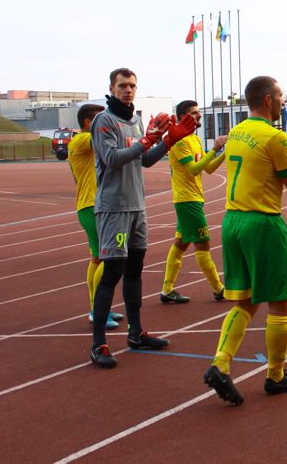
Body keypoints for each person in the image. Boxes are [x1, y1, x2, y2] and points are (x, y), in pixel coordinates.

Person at [203, 76, 287, 405]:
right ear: (268, 101)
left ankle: (220, 364)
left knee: (245, 302)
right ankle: (275, 375)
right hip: (262, 224)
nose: (284, 102)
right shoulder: (274, 137)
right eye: (280, 97)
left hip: (232, 221)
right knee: (280, 302)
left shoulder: (236, 133)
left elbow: (268, 168)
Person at [88, 68, 197, 368]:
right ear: (112, 88)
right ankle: (98, 344)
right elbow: (111, 159)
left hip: (137, 207)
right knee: (112, 273)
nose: (129, 90)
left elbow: (144, 159)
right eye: (123, 85)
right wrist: (147, 140)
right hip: (113, 208)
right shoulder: (103, 121)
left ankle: (135, 333)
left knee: (135, 270)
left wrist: (168, 141)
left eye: (132, 86)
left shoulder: (135, 121)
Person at [159, 100, 228, 305]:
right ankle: (218, 289)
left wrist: (225, 152)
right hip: (187, 200)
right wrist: (215, 149)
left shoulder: (195, 139)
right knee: (203, 244)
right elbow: (194, 169)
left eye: (198, 112)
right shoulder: (179, 142)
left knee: (180, 245)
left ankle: (167, 290)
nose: (199, 116)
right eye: (194, 113)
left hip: (193, 199)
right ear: (183, 118)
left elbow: (208, 169)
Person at [68, 103, 122, 330]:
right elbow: (108, 139)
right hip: (93, 205)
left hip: (91, 204)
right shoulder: (82, 139)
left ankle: (98, 307)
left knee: (98, 258)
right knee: (109, 258)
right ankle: (97, 309)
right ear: (88, 123)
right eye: (101, 119)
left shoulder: (81, 141)